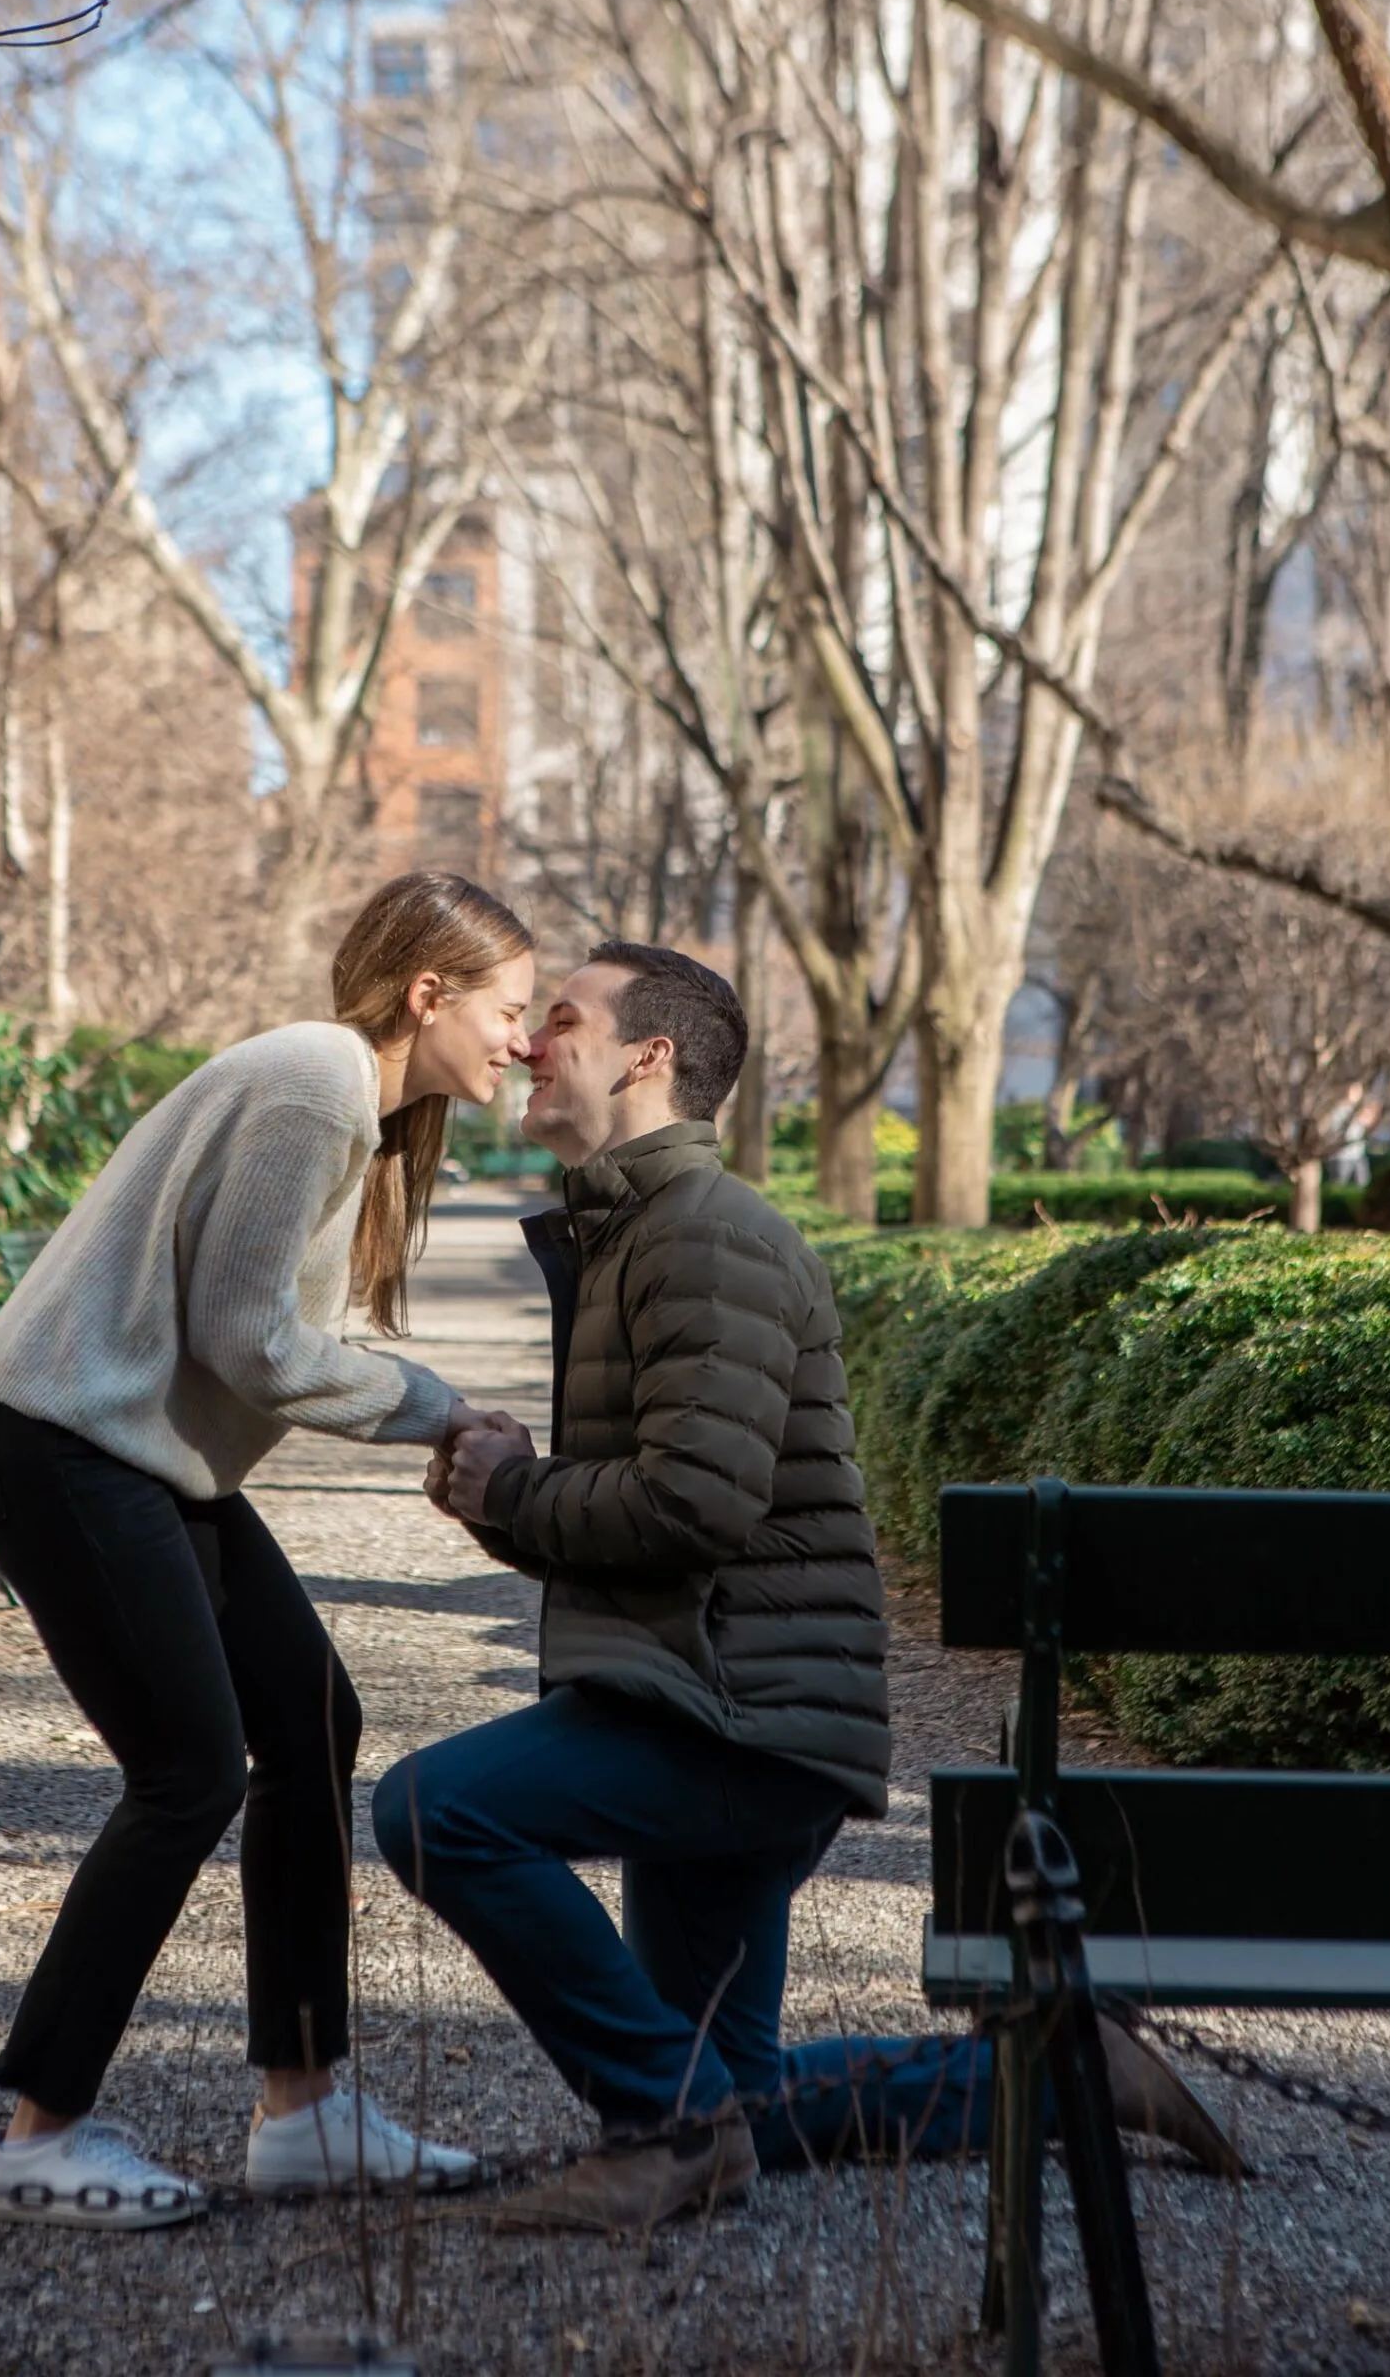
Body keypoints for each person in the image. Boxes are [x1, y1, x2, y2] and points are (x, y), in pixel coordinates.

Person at [373, 942, 1241, 2231]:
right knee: (751, 2099)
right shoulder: (639, 1231)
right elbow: (677, 1511)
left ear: (646, 1057)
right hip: (713, 1696)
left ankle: (665, 2138)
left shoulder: (705, 1239)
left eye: (563, 1020)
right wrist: (505, 1502)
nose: (532, 1045)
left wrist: (515, 1491)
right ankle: (1062, 2071)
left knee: (437, 1811)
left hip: (737, 1716)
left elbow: (693, 1507)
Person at [0, 872, 534, 2228]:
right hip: (57, 1442)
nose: (518, 1037)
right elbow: (250, 1343)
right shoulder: (319, 1081)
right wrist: (444, 1411)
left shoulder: (361, 1108)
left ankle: (306, 2111)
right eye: (505, 1010)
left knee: (311, 1716)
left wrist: (434, 1408)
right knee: (188, 1773)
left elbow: (257, 1342)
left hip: (136, 1453)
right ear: (427, 992)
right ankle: (41, 2134)